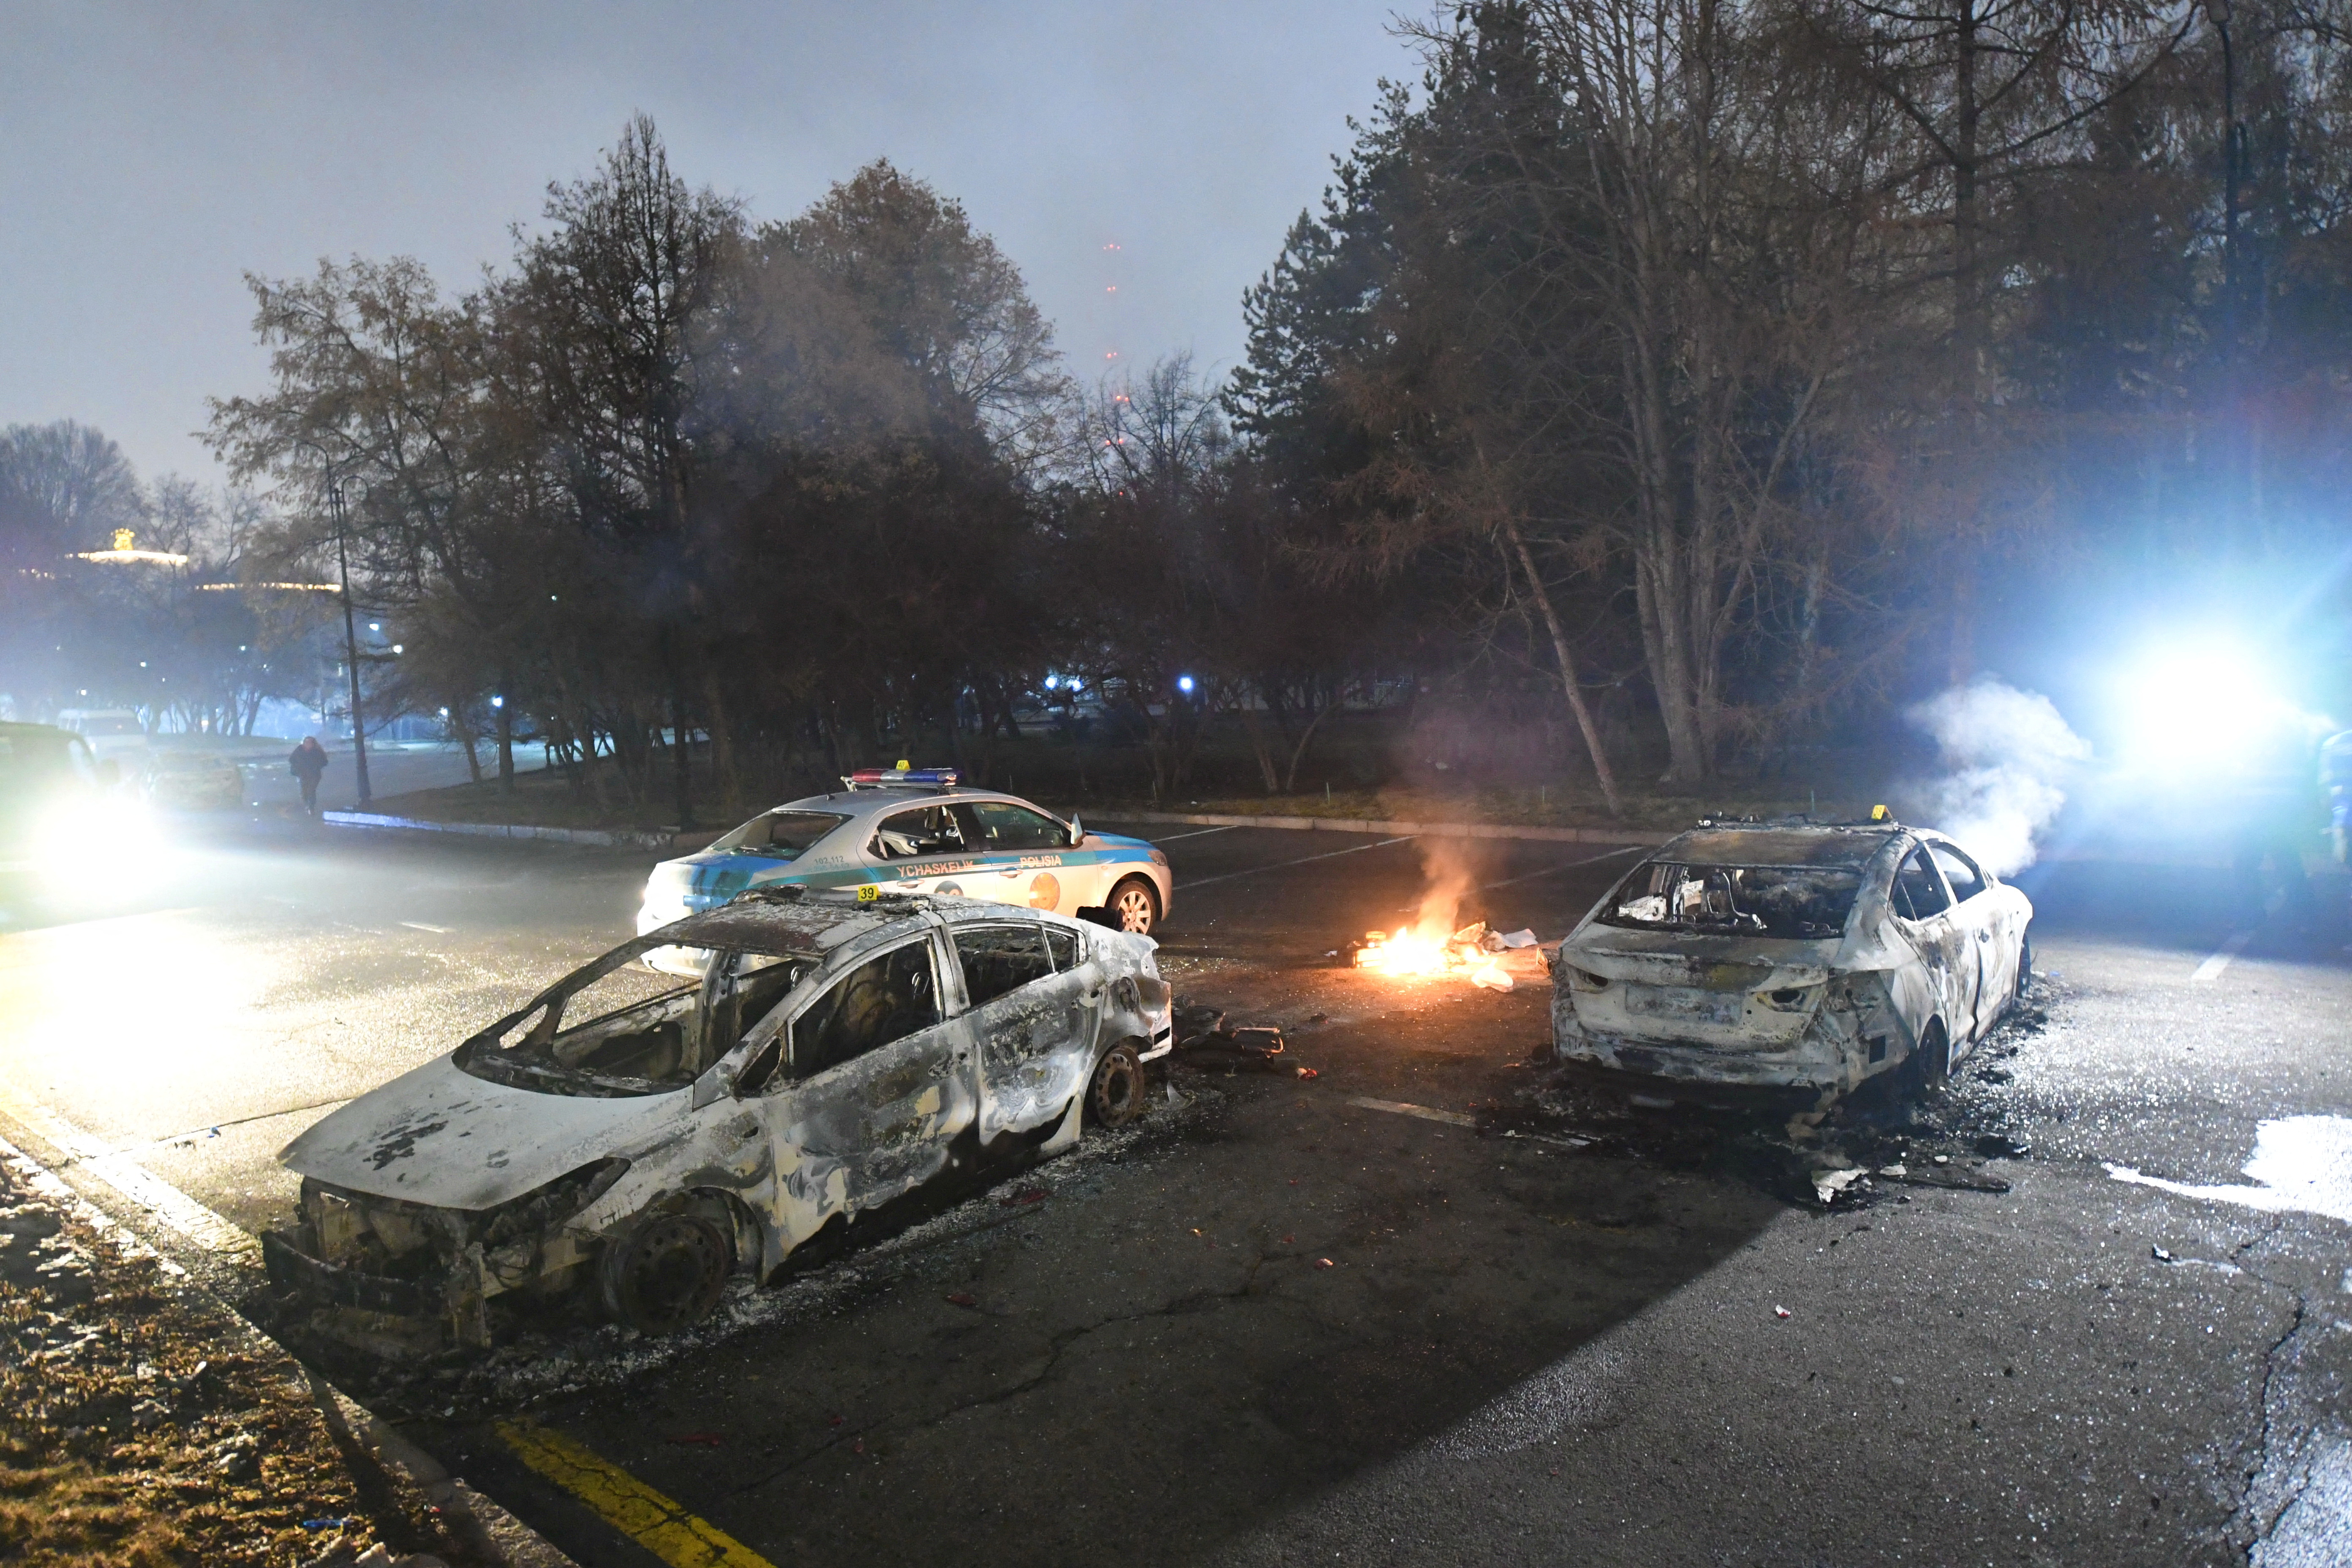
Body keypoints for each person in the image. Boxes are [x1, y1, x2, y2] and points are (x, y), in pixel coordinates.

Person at [289, 736, 329, 817]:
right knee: (304, 792)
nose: (308, 744)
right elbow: (292, 759)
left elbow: (325, 762)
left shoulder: (317, 751)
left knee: (311, 790)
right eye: (306, 742)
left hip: (314, 775)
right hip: (302, 774)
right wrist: (299, 767)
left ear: (313, 744)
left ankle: (311, 807)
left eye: (310, 742)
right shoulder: (300, 750)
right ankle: (307, 805)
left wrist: (316, 766)